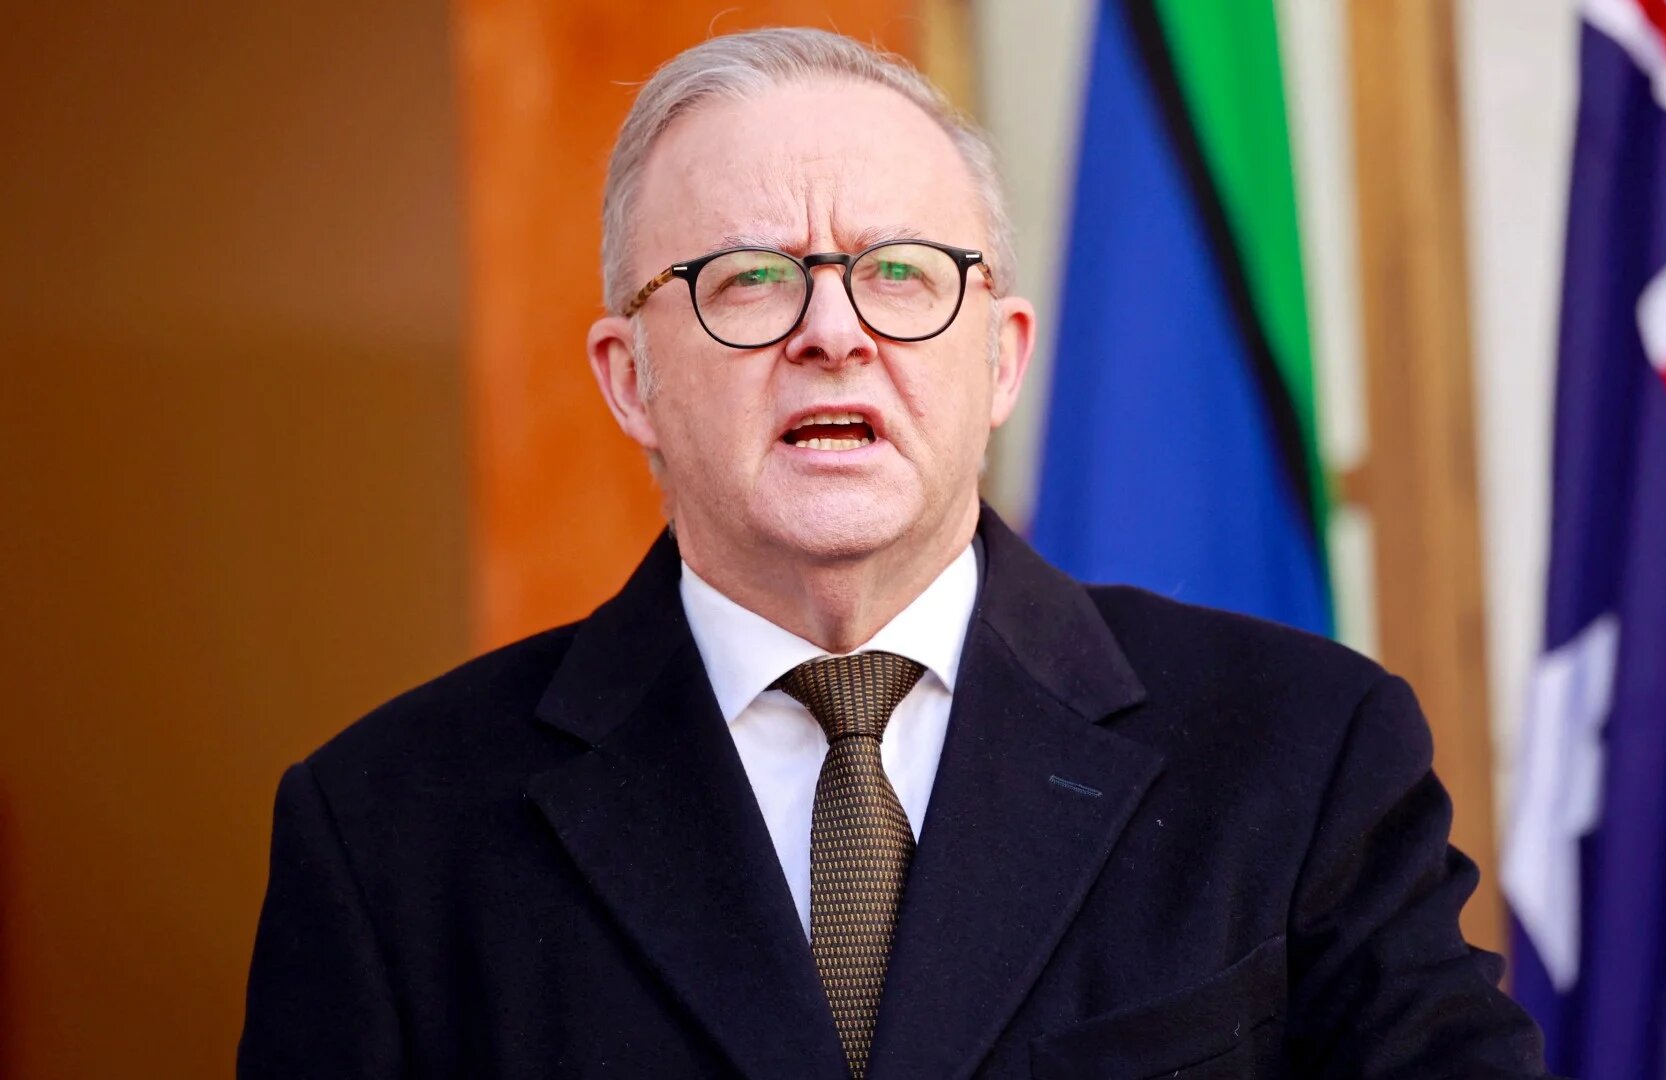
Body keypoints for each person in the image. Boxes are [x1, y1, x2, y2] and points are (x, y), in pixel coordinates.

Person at [239, 26, 1548, 1079]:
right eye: (748, 278)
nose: (832, 331)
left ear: (1003, 356)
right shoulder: (386, 831)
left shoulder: (1301, 749)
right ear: (628, 377)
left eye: (902, 273)